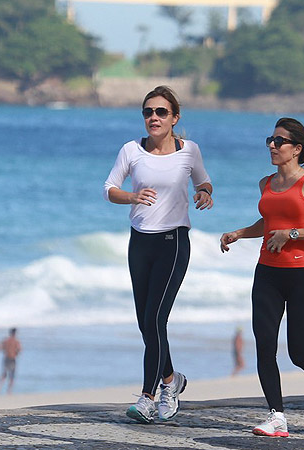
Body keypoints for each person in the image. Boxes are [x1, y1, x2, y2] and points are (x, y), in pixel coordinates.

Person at [220, 117, 304, 437]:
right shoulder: (266, 183)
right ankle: (276, 416)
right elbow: (268, 223)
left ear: (296, 149)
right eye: (270, 140)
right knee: (264, 346)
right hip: (267, 274)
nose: (272, 146)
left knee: (298, 351)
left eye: (279, 141)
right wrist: (239, 232)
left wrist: (292, 234)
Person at [103, 85, 214, 423]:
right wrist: (131, 197)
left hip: (174, 241)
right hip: (140, 242)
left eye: (161, 112)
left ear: (174, 117)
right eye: (148, 112)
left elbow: (204, 182)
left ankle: (148, 397)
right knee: (145, 323)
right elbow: (109, 189)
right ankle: (172, 381)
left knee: (155, 319)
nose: (153, 117)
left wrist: (205, 194)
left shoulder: (189, 151)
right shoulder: (131, 150)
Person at [0, 328, 21, 394]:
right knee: (11, 376)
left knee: (4, 375)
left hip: (6, 358)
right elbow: (19, 350)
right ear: (15, 333)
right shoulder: (16, 341)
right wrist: (15, 353)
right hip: (12, 359)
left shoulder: (6, 340)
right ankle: (9, 391)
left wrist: (5, 350)